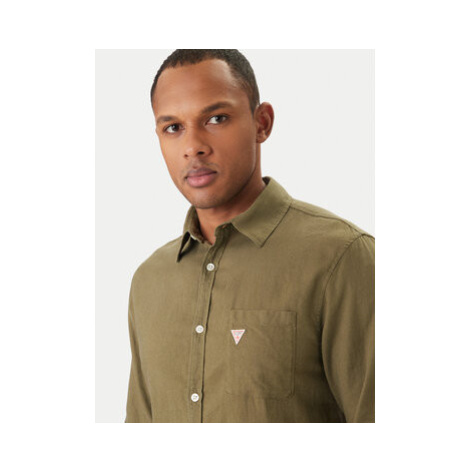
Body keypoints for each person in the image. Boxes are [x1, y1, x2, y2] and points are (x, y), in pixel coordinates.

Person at [125, 49, 375, 423]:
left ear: (262, 123)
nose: (193, 147)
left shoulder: (341, 258)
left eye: (216, 118)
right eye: (173, 127)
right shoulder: (149, 280)